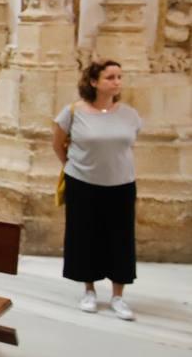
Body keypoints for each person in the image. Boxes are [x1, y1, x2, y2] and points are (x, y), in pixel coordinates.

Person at [52, 60, 141, 321]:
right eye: (110, 77)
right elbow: (57, 144)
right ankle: (89, 290)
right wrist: (72, 166)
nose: (117, 82)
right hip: (82, 182)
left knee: (121, 238)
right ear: (94, 82)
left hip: (121, 183)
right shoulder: (73, 112)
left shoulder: (129, 114)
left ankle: (118, 295)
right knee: (84, 236)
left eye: (119, 77)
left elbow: (128, 144)